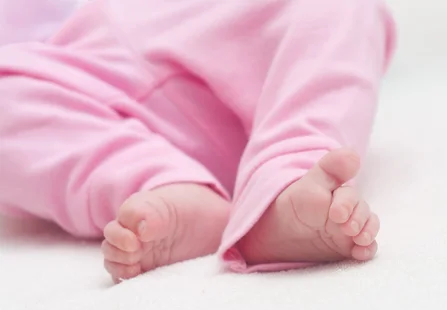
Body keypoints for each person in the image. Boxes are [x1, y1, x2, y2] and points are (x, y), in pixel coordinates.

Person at [0, 0, 396, 283]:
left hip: (202, 32)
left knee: (343, 7)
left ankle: (291, 179)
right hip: (71, 75)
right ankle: (170, 191)